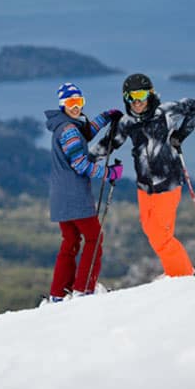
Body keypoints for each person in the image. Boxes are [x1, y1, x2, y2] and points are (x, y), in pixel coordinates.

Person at [91, 73, 195, 278]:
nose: (137, 102)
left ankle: (184, 274)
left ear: (150, 94)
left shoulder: (165, 112)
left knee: (162, 235)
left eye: (141, 95)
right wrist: (86, 159)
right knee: (150, 230)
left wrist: (181, 135)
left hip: (168, 183)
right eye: (131, 97)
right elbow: (110, 143)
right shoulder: (127, 122)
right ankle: (174, 270)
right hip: (144, 186)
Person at [44, 82, 123, 302]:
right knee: (94, 238)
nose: (76, 107)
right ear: (63, 104)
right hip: (75, 197)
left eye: (79, 102)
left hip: (60, 197)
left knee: (69, 242)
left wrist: (105, 117)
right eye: (71, 102)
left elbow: (84, 134)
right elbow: (80, 164)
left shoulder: (64, 125)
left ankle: (58, 293)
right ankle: (84, 288)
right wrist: (109, 172)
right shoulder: (69, 130)